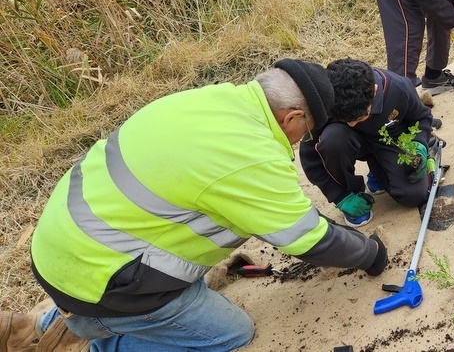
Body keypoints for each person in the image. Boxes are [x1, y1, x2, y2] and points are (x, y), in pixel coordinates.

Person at [2, 59, 388, 351]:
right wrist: (369, 253)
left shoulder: (212, 99)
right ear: (293, 117)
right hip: (103, 283)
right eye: (304, 130)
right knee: (230, 334)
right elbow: (308, 238)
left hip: (61, 248)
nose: (299, 139)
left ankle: (49, 323)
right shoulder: (249, 155)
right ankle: (103, 339)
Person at [300, 58, 435, 227]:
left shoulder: (399, 88)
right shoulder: (323, 102)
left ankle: (379, 171)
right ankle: (352, 193)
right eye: (346, 120)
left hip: (388, 141)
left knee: (414, 195)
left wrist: (420, 144)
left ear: (375, 91)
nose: (351, 124)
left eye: (359, 118)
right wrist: (339, 196)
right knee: (333, 139)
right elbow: (309, 155)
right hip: (346, 142)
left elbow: (422, 118)